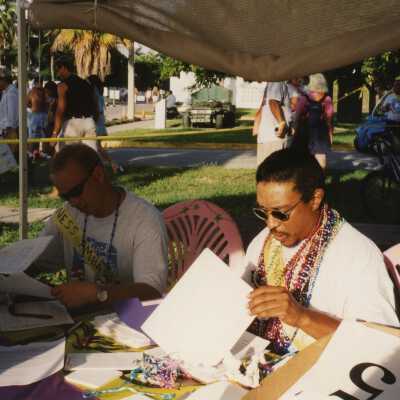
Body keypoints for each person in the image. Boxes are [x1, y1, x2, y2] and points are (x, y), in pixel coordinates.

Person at [244, 149, 398, 354]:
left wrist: (301, 317)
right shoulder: (262, 242)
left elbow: (380, 345)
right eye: (263, 211)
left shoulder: (358, 256)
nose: (271, 224)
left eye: (280, 213)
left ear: (315, 199)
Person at [32, 143, 168, 308]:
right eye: (65, 196)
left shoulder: (144, 220)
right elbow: (34, 262)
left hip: (125, 323)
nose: (73, 202)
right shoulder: (66, 215)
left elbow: (151, 292)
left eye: (76, 192)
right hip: (76, 320)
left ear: (98, 175)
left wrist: (98, 294)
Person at [51, 57, 98, 152]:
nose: (57, 74)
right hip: (89, 122)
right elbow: (95, 103)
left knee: (66, 157)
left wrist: (55, 132)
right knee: (91, 157)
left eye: (58, 70)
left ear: (63, 68)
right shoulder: (86, 83)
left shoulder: (62, 86)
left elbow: (60, 110)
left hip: (73, 124)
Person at [293, 73, 334, 169]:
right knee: (321, 158)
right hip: (321, 133)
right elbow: (329, 119)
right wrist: (330, 134)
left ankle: (305, 179)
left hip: (305, 132)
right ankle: (320, 179)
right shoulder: (327, 99)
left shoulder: (304, 98)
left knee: (303, 158)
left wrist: (295, 129)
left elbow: (297, 116)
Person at [253, 81, 296, 165]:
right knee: (276, 172)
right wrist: (282, 123)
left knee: (267, 171)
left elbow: (263, 106)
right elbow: (273, 102)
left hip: (268, 137)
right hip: (276, 138)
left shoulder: (272, 83)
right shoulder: (278, 81)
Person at [87, 75, 122, 173]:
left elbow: (96, 109)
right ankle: (107, 164)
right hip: (100, 120)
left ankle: (112, 164)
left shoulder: (94, 91)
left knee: (97, 147)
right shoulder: (100, 91)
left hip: (96, 120)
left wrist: (93, 121)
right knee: (97, 147)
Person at [27, 77, 47, 158]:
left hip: (40, 115)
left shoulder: (43, 91)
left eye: (40, 82)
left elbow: (27, 103)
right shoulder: (33, 91)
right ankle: (31, 153)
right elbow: (27, 103)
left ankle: (36, 153)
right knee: (34, 136)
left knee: (42, 136)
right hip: (35, 115)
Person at [0, 69, 18, 156]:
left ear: (3, 80)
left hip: (10, 131)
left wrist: (8, 130)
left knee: (10, 158)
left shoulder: (11, 93)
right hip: (6, 130)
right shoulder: (5, 92)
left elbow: (12, 113)